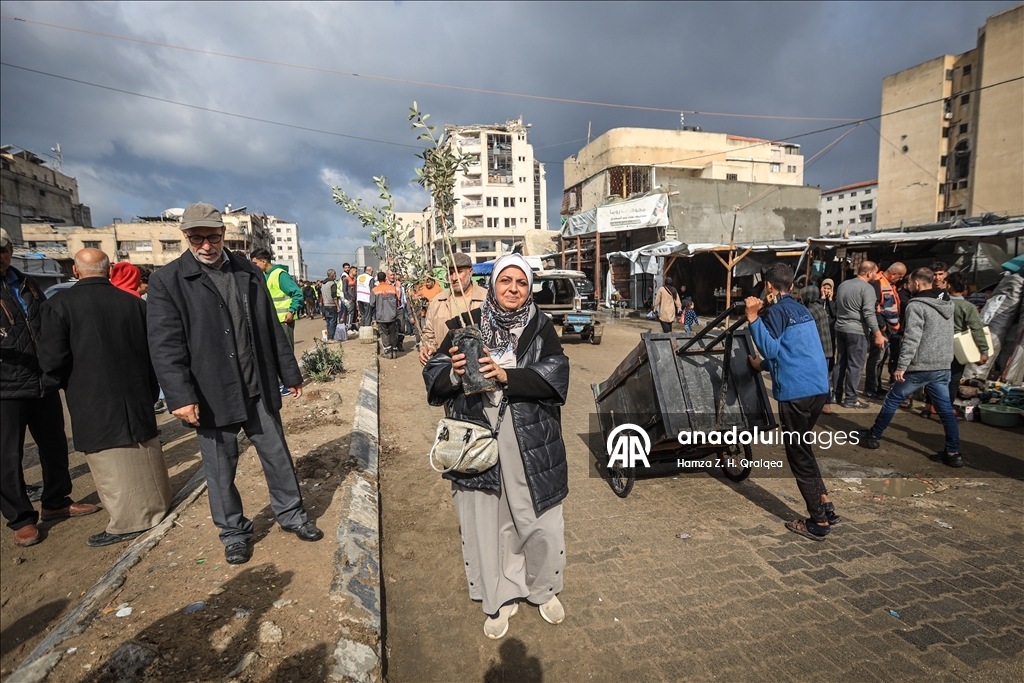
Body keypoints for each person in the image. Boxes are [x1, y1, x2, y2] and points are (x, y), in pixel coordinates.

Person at [147, 202, 322, 565]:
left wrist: (290, 373)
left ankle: (292, 516)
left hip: (257, 386)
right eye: (197, 238)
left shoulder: (247, 271)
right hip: (211, 393)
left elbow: (271, 327)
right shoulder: (168, 281)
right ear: (185, 236)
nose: (206, 245)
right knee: (220, 469)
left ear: (224, 234)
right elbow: (165, 346)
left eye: (213, 237)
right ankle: (233, 533)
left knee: (277, 456)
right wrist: (180, 396)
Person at [423, 253, 570, 639]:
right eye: (506, 281)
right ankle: (500, 595)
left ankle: (544, 588)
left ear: (529, 288)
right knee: (489, 521)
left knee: (540, 518)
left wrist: (508, 376)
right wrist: (454, 374)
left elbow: (557, 375)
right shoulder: (464, 325)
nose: (513, 289)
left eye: (521, 283)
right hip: (477, 436)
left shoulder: (540, 327)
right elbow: (433, 375)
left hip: (530, 437)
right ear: (493, 284)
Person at [38, 249, 172, 547]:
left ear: (75, 271)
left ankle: (128, 522)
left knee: (111, 463)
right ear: (109, 271)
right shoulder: (133, 303)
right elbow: (153, 351)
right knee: (144, 452)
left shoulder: (59, 305)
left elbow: (53, 359)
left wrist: (50, 383)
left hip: (91, 396)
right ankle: (157, 508)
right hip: (136, 392)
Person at [1, 228, 98, 547]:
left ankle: (56, 501)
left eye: (2, 250)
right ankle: (21, 519)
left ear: (10, 250)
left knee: (55, 444)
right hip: (5, 387)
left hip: (42, 380)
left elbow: (46, 322)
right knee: (7, 456)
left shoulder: (26, 282)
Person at [745, 264, 836, 540]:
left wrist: (753, 317)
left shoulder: (775, 312)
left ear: (768, 286)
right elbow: (793, 352)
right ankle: (825, 503)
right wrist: (762, 366)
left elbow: (771, 349)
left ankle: (818, 522)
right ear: (792, 286)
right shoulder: (801, 309)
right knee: (804, 448)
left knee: (798, 455)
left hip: (796, 393)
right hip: (817, 388)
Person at [864, 268, 962, 467]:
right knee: (945, 409)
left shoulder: (916, 305)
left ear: (917, 283)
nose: (907, 286)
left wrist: (901, 366)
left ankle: (873, 435)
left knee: (893, 399)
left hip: (920, 366)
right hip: (942, 364)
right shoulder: (948, 303)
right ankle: (953, 453)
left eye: (908, 283)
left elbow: (911, 338)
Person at [833, 261, 886, 409]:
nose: (877, 276)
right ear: (869, 273)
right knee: (855, 365)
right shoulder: (867, 288)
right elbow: (869, 313)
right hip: (857, 331)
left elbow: (837, 305)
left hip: (841, 328)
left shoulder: (843, 285)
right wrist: (877, 333)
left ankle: (836, 394)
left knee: (841, 362)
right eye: (876, 272)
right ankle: (851, 398)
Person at [419, 253, 487, 366]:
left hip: (479, 368)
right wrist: (426, 347)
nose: (454, 278)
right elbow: (428, 332)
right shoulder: (438, 301)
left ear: (470, 272)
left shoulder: (486, 300)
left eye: (459, 272)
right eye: (451, 273)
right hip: (446, 366)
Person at [946, 271, 989, 406]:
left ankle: (929, 408)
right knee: (953, 380)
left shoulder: (940, 304)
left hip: (937, 345)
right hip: (958, 348)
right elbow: (977, 329)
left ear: (948, 286)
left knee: (936, 379)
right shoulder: (968, 307)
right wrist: (984, 350)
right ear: (964, 288)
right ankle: (946, 410)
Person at [864, 262, 907, 398]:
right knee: (876, 358)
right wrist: (881, 325)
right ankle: (870, 388)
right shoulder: (877, 283)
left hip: (889, 328)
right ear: (893, 274)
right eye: (900, 277)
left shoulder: (888, 284)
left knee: (882, 358)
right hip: (880, 328)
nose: (900, 280)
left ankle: (877, 386)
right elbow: (873, 306)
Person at [251, 248, 303, 352]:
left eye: (255, 263)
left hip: (284, 320)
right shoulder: (266, 276)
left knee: (286, 351)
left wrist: (291, 311)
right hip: (273, 320)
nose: (254, 266)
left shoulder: (280, 274)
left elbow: (297, 293)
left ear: (264, 261)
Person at [371, 270, 401, 358]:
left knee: (384, 333)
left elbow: (372, 303)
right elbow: (397, 300)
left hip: (381, 316)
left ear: (378, 279)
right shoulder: (392, 289)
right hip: (392, 315)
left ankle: (388, 352)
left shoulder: (374, 290)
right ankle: (394, 351)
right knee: (392, 333)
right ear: (385, 278)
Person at [321, 269, 341, 343]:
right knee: (333, 322)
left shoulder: (323, 284)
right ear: (332, 274)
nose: (335, 275)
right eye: (335, 274)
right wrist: (337, 306)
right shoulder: (332, 283)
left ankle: (328, 337)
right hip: (331, 305)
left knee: (328, 322)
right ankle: (331, 338)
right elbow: (334, 296)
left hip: (325, 304)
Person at [342, 265, 358, 330]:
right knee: (350, 313)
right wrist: (349, 299)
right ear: (352, 271)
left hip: (354, 299)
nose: (356, 272)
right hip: (349, 299)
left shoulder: (355, 280)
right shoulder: (346, 279)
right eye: (355, 271)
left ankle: (352, 326)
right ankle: (348, 327)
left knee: (353, 313)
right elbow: (344, 290)